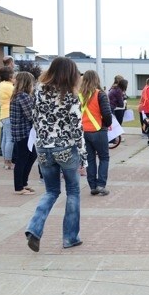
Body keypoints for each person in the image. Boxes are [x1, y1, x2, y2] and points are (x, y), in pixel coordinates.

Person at [25, 56, 87, 252]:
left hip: (44, 148)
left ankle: (34, 228)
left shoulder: (38, 91)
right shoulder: (70, 96)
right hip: (66, 148)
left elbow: (34, 118)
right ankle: (70, 237)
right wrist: (83, 156)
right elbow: (77, 128)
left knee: (51, 191)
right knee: (73, 192)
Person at [78, 70, 113, 196]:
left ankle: (92, 185)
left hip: (83, 131)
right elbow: (107, 114)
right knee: (104, 158)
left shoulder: (78, 95)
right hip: (98, 130)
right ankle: (101, 185)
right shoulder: (100, 94)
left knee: (90, 159)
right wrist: (107, 124)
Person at [10, 72, 37, 195]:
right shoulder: (23, 97)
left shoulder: (17, 95)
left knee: (31, 156)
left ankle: (23, 183)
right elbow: (30, 115)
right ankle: (19, 187)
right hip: (23, 133)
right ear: (27, 83)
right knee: (23, 158)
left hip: (20, 132)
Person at [0, 66, 15, 170]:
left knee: (5, 138)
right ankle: (8, 162)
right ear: (10, 76)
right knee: (10, 139)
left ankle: (5, 160)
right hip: (9, 114)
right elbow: (16, 96)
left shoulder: (1, 85)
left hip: (3, 114)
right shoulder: (9, 87)